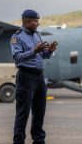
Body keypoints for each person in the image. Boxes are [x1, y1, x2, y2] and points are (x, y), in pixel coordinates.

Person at [10, 9, 58, 144]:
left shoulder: (37, 35)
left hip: (39, 76)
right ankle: (18, 141)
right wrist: (34, 51)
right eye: (35, 21)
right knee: (23, 112)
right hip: (25, 76)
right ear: (26, 21)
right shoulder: (16, 37)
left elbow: (42, 56)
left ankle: (39, 140)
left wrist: (49, 51)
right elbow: (18, 58)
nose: (38, 23)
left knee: (39, 111)